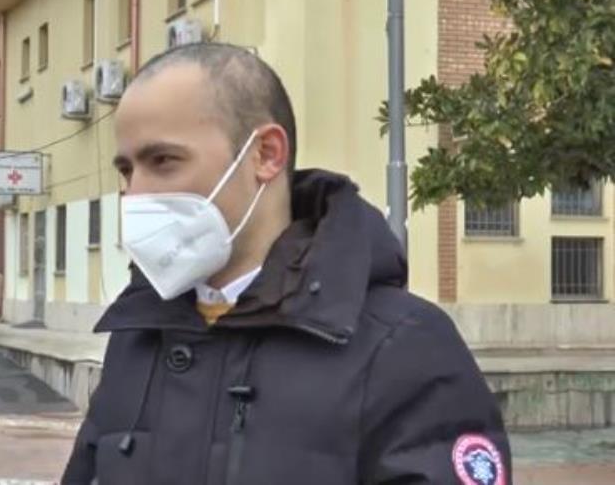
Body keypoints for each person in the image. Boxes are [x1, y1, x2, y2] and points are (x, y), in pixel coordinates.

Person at [62, 42, 511, 485]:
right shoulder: (138, 336)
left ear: (266, 155)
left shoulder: (403, 348)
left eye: (163, 161)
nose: (136, 195)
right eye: (126, 171)